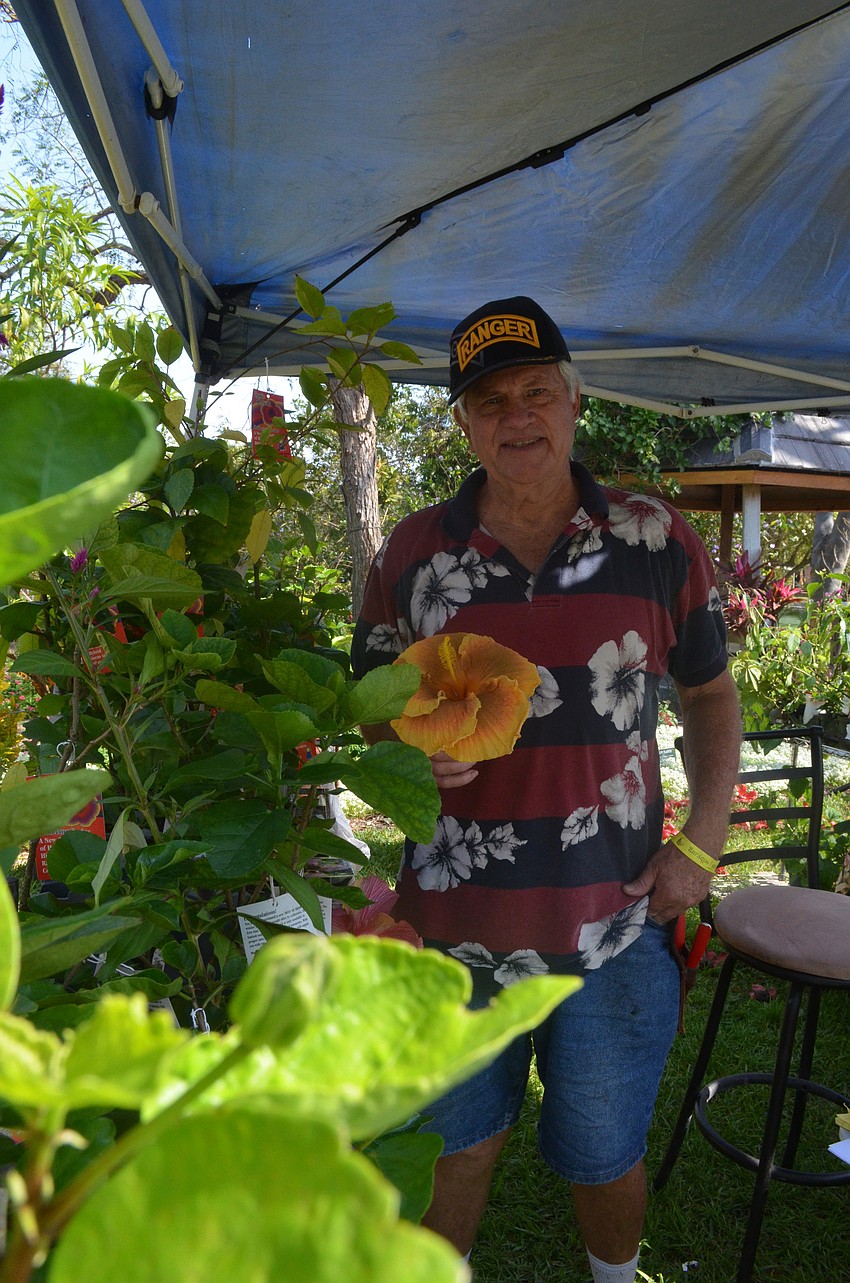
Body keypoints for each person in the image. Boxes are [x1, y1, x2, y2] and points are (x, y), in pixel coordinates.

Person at [351, 297, 741, 1283]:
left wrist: (701, 843)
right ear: (462, 422)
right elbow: (367, 707)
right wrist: (404, 750)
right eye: (489, 401)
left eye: (535, 391)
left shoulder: (654, 536)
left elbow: (709, 693)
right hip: (451, 925)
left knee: (604, 1151)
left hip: (614, 917)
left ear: (573, 400)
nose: (515, 415)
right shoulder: (412, 554)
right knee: (452, 1145)